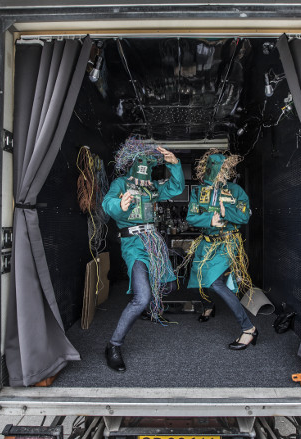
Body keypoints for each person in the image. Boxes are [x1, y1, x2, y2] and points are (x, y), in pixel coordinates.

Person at [101, 137, 185, 372]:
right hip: (134, 244)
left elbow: (176, 188)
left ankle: (149, 308)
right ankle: (113, 345)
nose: (144, 170)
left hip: (155, 243)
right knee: (142, 297)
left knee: (169, 287)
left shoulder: (153, 188)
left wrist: (174, 163)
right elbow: (107, 204)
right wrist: (121, 205)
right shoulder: (121, 184)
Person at [178, 149, 257, 350]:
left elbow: (245, 217)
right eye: (218, 168)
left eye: (225, 168)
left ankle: (248, 329)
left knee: (215, 283)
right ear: (208, 169)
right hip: (206, 243)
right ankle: (208, 306)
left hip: (227, 242)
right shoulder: (199, 191)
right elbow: (191, 217)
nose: (222, 172)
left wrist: (225, 211)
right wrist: (209, 219)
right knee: (200, 277)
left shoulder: (236, 191)